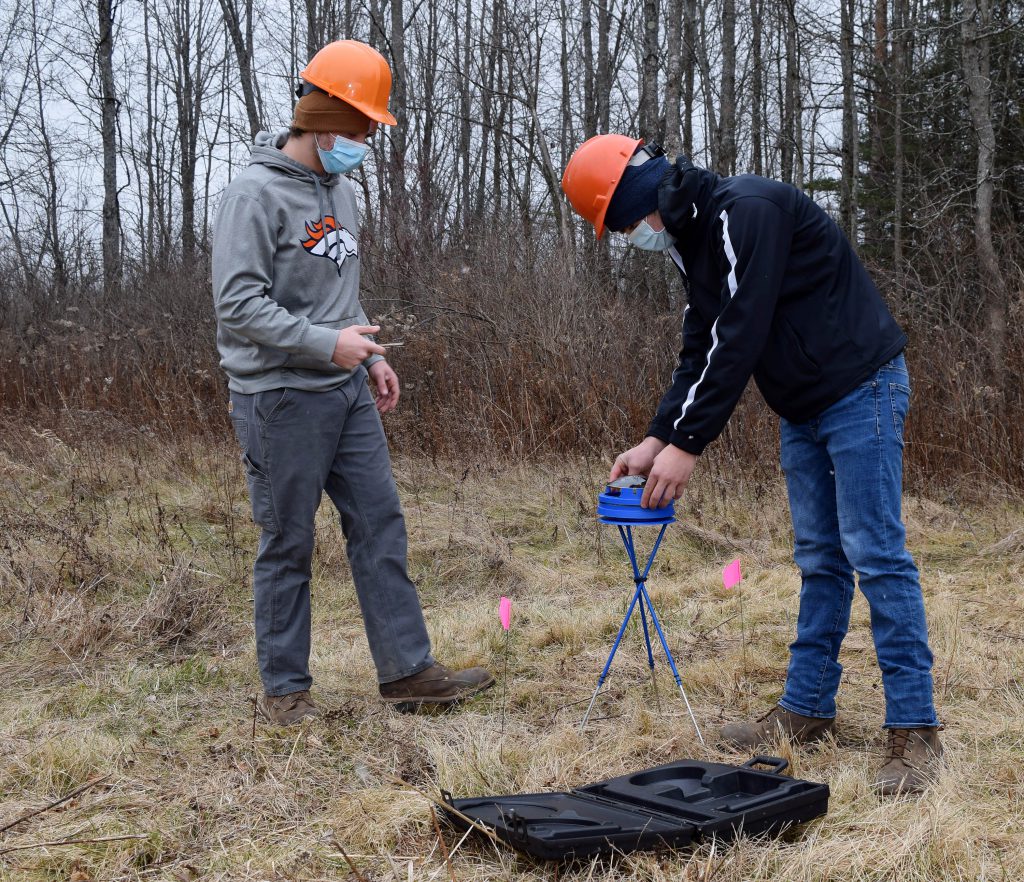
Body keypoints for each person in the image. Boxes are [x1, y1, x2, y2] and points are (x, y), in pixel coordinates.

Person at [561, 135, 942, 795]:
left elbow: (741, 331)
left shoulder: (745, 211)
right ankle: (807, 709)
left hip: (861, 390)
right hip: (803, 407)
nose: (629, 236)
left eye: (624, 222)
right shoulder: (694, 241)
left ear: (641, 195)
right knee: (821, 559)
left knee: (876, 554)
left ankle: (915, 730)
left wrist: (689, 445)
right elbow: (700, 344)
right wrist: (658, 437)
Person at [212, 40, 492, 725]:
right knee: (288, 543)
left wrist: (368, 356)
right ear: (323, 117)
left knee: (380, 525)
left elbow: (339, 300)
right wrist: (324, 344)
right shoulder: (253, 194)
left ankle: (407, 673)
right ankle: (286, 694)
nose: (368, 138)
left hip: (343, 391)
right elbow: (238, 304)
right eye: (362, 125)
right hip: (278, 399)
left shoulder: (340, 189)